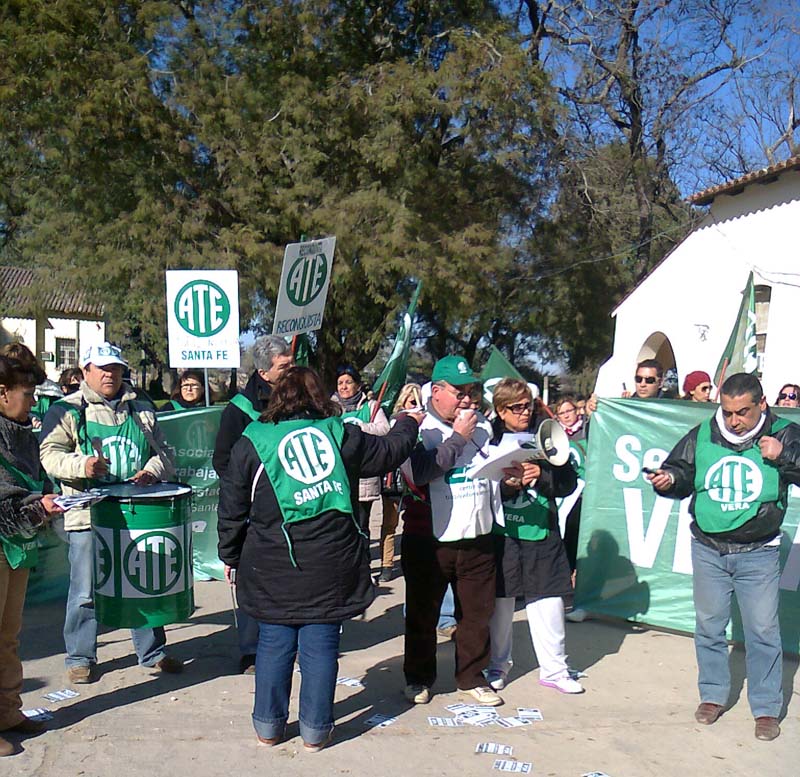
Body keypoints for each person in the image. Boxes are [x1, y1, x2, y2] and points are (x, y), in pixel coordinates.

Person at [217, 367, 422, 750]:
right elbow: (390, 451)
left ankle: (268, 728)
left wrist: (229, 553)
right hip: (331, 561)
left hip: (272, 562)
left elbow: (231, 505)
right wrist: (408, 423)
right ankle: (315, 731)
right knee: (321, 648)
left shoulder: (252, 439)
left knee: (274, 645)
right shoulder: (340, 434)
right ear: (319, 397)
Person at [646, 372, 800, 741]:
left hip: (758, 552)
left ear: (762, 404)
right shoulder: (703, 432)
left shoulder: (785, 433)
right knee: (710, 626)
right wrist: (668, 480)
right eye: (728, 412)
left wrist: (785, 457)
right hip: (708, 549)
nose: (734, 420)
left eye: (743, 412)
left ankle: (765, 709)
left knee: (763, 631)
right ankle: (712, 695)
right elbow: (681, 471)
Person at [39, 342, 182, 684]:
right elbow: (49, 454)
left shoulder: (141, 408)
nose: (110, 374)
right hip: (87, 515)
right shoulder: (67, 410)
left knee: (141, 582)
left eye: (115, 368)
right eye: (102, 368)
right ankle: (80, 657)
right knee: (86, 589)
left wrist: (151, 471)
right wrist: (83, 464)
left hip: (136, 513)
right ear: (86, 370)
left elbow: (165, 453)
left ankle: (152, 652)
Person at [402, 355, 503, 707]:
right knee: (422, 613)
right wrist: (458, 439)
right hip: (428, 536)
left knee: (477, 613)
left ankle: (472, 676)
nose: (466, 400)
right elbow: (419, 473)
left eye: (470, 392)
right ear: (437, 391)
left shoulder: (484, 427)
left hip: (477, 533)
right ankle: (418, 677)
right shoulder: (415, 426)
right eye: (458, 392)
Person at [486, 379, 582, 694]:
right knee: (501, 606)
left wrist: (541, 475)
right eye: (517, 407)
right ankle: (498, 665)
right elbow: (481, 488)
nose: (525, 412)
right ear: (501, 411)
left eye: (527, 404)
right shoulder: (487, 440)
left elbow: (567, 483)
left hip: (543, 533)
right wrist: (507, 485)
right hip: (504, 536)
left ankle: (555, 669)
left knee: (550, 603)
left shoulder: (547, 435)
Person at [212, 334, 293, 674]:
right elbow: (224, 461)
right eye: (283, 366)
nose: (291, 370)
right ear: (264, 373)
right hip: (254, 512)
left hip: (290, 509)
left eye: (292, 363)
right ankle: (250, 651)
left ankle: (288, 645)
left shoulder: (296, 402)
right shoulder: (240, 410)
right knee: (252, 580)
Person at [0, 354, 64, 756]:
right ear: (2, 393)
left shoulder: (22, 431)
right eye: (28, 393)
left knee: (8, 636)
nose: (34, 400)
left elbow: (27, 484)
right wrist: (36, 506)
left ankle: (8, 712)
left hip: (15, 544)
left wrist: (43, 502)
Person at [331, 364, 390, 534]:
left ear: (357, 384)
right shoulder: (330, 408)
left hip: (365, 475)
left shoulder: (370, 406)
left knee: (362, 525)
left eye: (348, 382)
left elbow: (384, 429)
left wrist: (360, 427)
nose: (343, 386)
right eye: (340, 382)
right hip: (339, 475)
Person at [379, 383, 422, 583]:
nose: (417, 406)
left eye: (421, 402)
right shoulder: (397, 421)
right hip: (396, 480)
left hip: (419, 479)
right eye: (413, 401)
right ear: (404, 401)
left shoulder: (427, 421)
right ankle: (387, 564)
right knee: (390, 524)